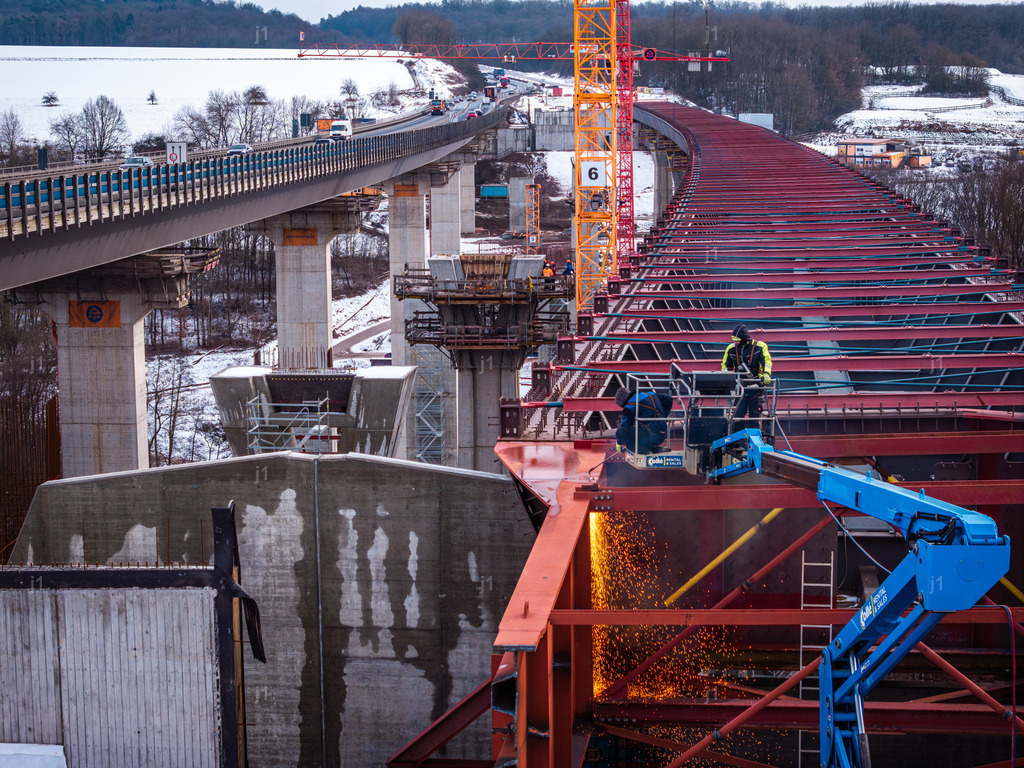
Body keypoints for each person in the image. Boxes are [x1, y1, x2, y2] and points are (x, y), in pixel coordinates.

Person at [721, 324, 773, 419]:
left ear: (744, 339)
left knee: (755, 418)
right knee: (737, 418)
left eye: (737, 340)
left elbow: (766, 361)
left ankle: (754, 429)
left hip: (757, 387)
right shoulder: (731, 349)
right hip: (740, 388)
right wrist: (728, 378)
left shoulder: (760, 346)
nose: (735, 342)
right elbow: (725, 365)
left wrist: (766, 374)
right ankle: (737, 429)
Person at [614, 386, 674, 454]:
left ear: (623, 403)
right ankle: (655, 450)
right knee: (642, 432)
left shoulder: (629, 406)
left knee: (620, 432)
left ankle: (643, 452)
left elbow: (625, 426)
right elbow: (668, 399)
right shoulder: (650, 394)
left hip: (649, 436)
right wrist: (663, 417)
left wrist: (619, 442)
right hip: (662, 435)